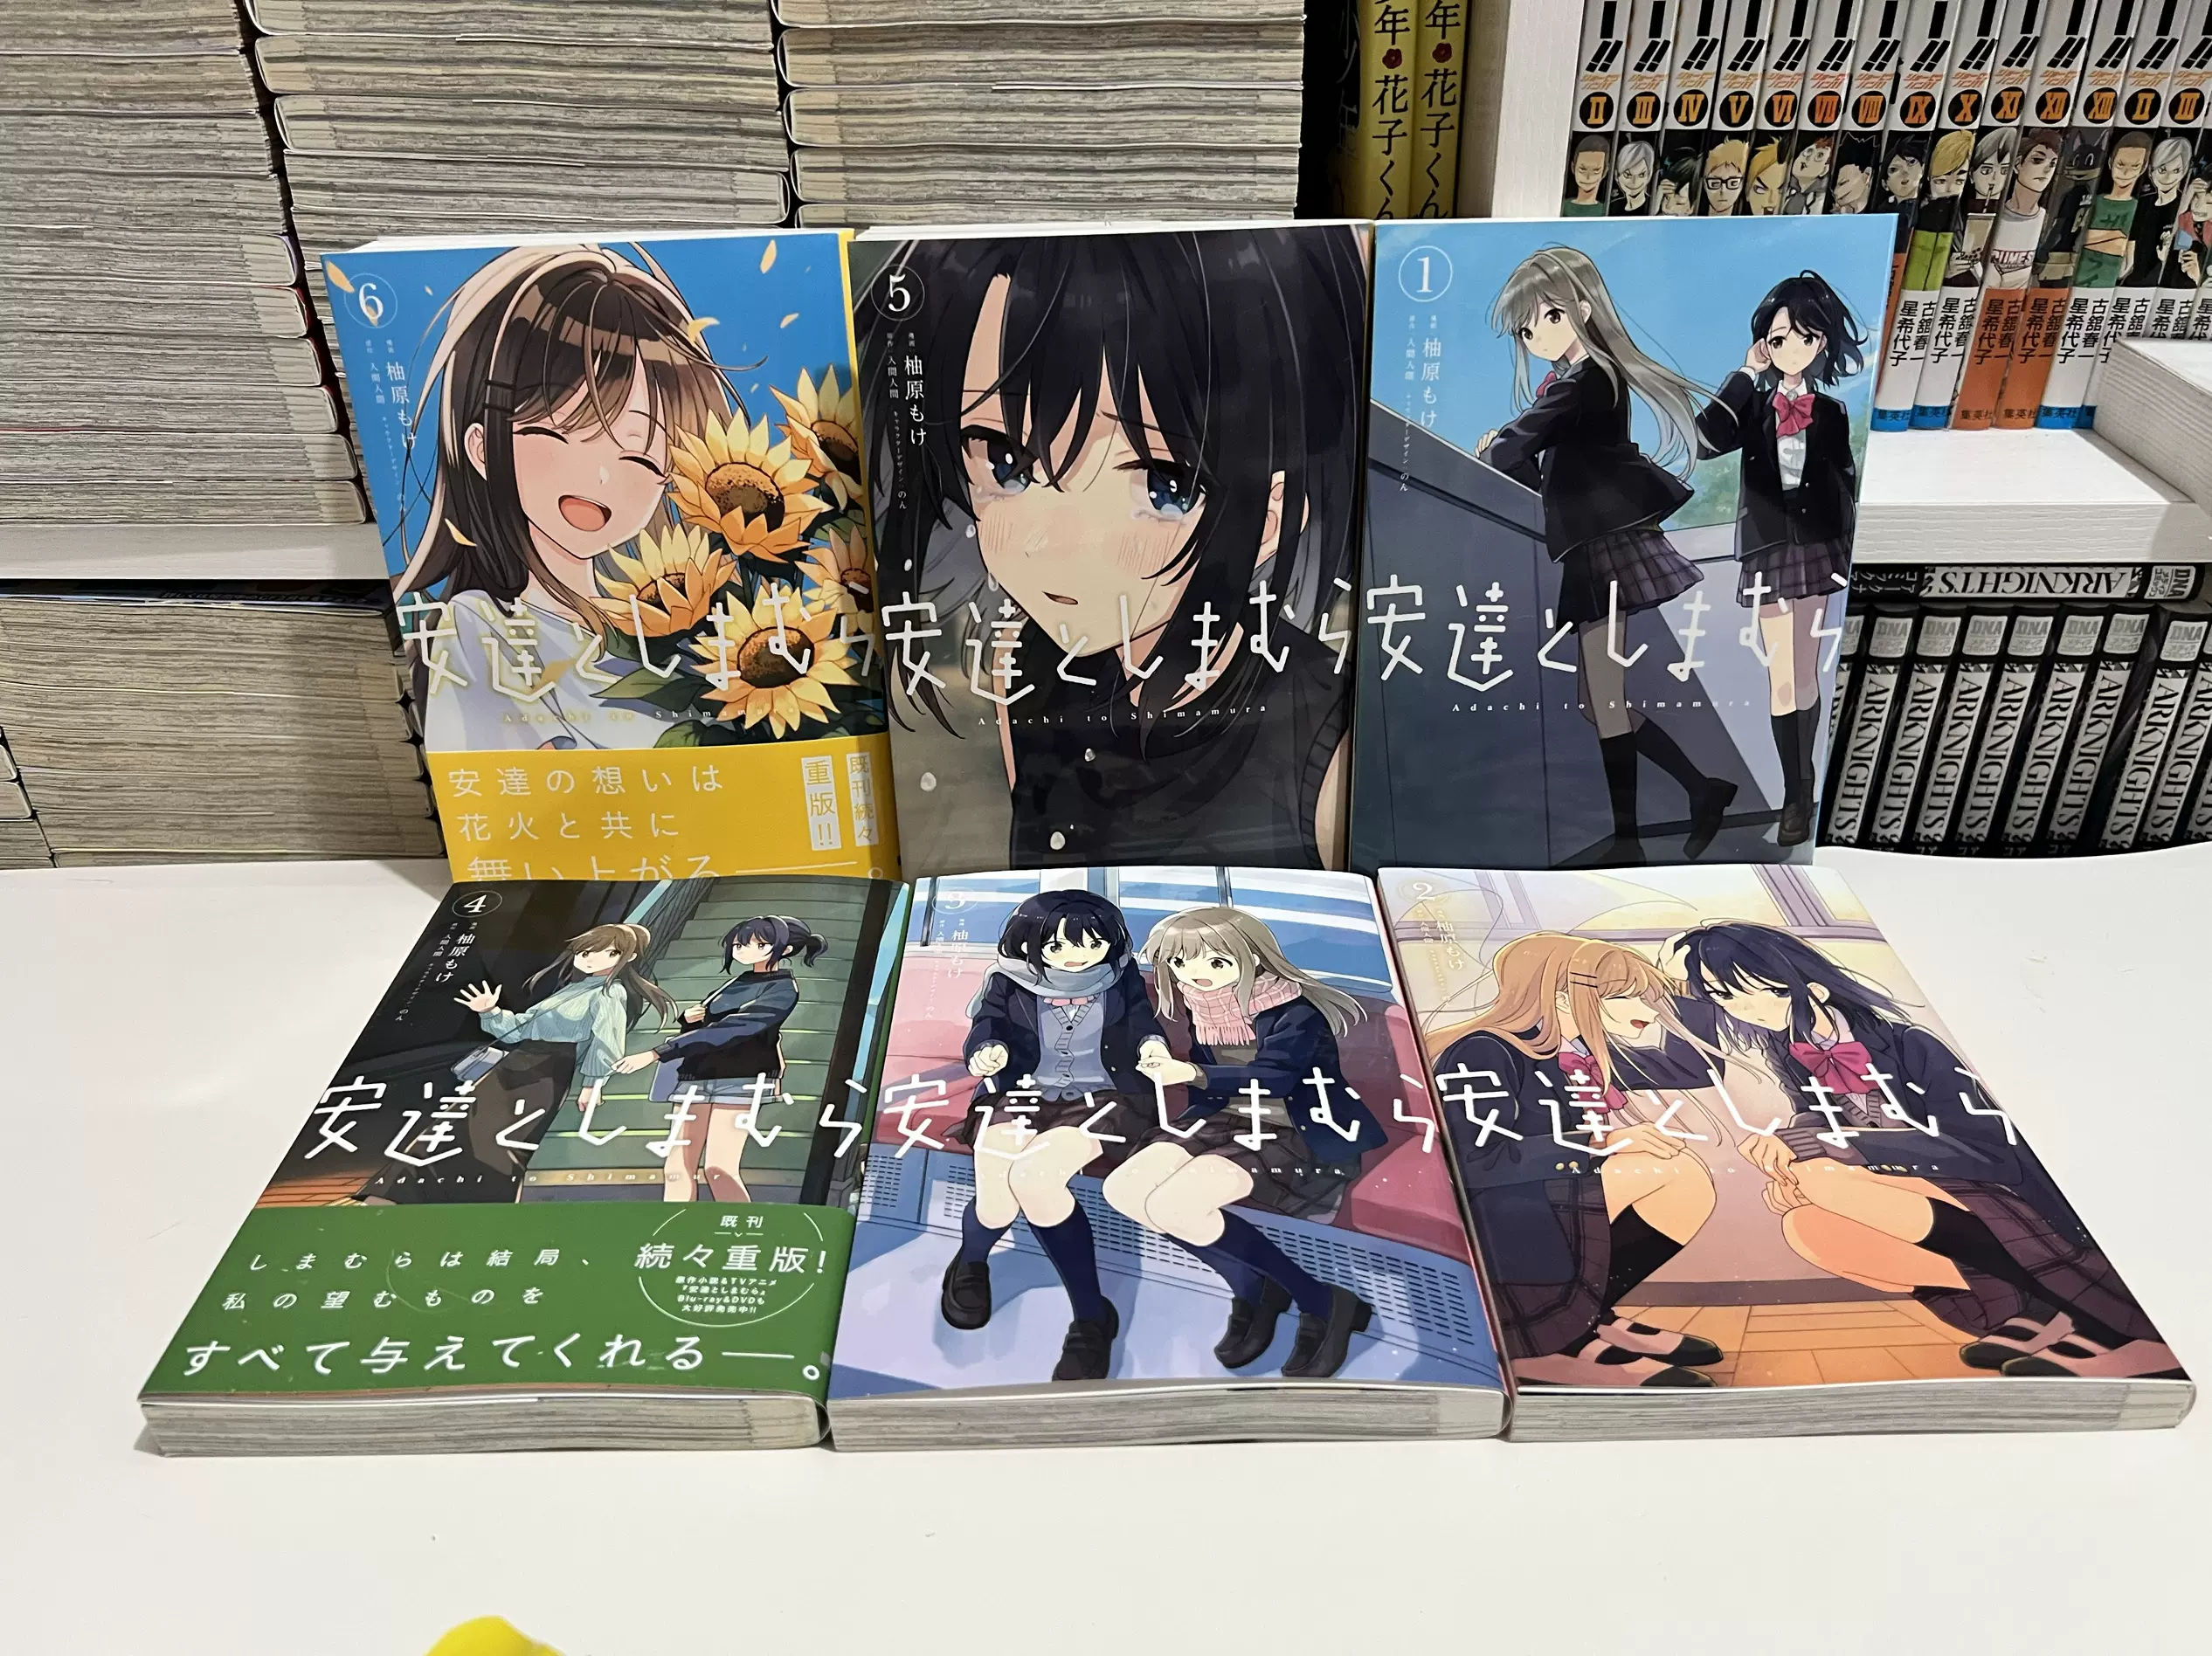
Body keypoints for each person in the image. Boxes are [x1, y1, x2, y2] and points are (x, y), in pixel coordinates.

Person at [859, 226, 1365, 868]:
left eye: (1163, 485)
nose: (1052, 538)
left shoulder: (1328, 742)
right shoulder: (1027, 665)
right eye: (1008, 462)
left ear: (1270, 518)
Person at [1676, 922, 2181, 1380]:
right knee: (1805, 1225)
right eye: (1720, 997)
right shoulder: (1791, 1050)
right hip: (1902, 1184)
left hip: (1993, 1189)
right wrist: (1791, 1146)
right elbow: (1818, 1115)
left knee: (1823, 1182)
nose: (1733, 1009)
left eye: (1742, 993)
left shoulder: (1912, 1046)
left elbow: (1988, 1151)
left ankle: (2100, 1320)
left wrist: (1841, 1147)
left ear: (1809, 989)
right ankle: (2037, 1311)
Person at [391, 245, 743, 751]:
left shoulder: (679, 631)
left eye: (639, 456)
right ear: (483, 447)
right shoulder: (479, 629)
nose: (600, 476)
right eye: (559, 433)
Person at [1480, 246, 1737, 863]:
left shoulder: (1588, 378)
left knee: (1603, 697)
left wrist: (1495, 446)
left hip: (1608, 545)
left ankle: (1630, 840)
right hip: (1593, 545)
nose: (1537, 336)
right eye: (1526, 330)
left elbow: (1515, 447)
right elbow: (1547, 472)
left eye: (1548, 317)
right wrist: (1509, 453)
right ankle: (1703, 790)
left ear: (1583, 308)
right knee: (1595, 701)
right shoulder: (1575, 381)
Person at [1429, 934, 1724, 1390]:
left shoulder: (1578, 1050)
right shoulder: (1483, 1050)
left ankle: (1588, 1317)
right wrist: (1599, 1143)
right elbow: (1475, 1161)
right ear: (1563, 996)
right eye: (1624, 997)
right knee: (1663, 1170)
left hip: (1546, 1193)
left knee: (1684, 1177)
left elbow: (1694, 1068)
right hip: (1500, 1208)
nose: (1648, 1011)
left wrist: (1686, 987)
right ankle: (1538, 1344)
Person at [1103, 907, 1385, 1379]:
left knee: (1174, 1206)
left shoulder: (1295, 1011)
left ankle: (1319, 1300)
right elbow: (1212, 1085)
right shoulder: (1204, 1005)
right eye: (1180, 963)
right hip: (1226, 1119)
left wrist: (1190, 1072)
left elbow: (1275, 1078)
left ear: (1252, 957)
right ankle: (1254, 1286)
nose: (1195, 975)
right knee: (1124, 1191)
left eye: (1216, 962)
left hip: (1298, 1129)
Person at [938, 890, 1170, 1382]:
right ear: (1032, 944)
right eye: (1059, 946)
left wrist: (1152, 1048)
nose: (1077, 956)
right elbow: (986, 1027)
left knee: (1036, 1177)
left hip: (1105, 1098)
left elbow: (1142, 1024)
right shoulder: (1008, 979)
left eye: (1092, 944)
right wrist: (987, 1052)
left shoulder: (1121, 974)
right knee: (997, 1198)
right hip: (1022, 1092)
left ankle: (1090, 1315)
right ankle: (972, 1260)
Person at [1695, 271, 1867, 845]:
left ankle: (1802, 795)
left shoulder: (1833, 412)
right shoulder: (1754, 405)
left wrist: (1847, 546)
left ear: (1821, 343)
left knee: (1807, 672)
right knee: (1783, 680)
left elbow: (1846, 483)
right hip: (1769, 549)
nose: (1790, 347)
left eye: (1803, 336)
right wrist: (1746, 373)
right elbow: (1706, 440)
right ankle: (1795, 798)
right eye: (1777, 338)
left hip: (1817, 547)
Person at [612, 915, 827, 1203]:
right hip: (696, 1073)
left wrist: (657, 1053)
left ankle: (740, 1226)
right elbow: (710, 1023)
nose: (742, 950)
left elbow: (734, 1029)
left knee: (719, 1170)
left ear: (785, 950)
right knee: (676, 1170)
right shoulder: (738, 981)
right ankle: (674, 1227)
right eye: (738, 945)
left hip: (740, 1079)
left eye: (757, 944)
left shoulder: (783, 989)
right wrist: (688, 1019)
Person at [450, 923, 676, 1183]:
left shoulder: (610, 992)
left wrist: (592, 1084)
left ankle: (488, 1193)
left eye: (608, 952)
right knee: (471, 1130)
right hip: (517, 1061)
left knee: (504, 1142)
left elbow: (607, 1041)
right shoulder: (574, 987)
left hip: (549, 1068)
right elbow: (520, 1029)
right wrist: (490, 1012)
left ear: (629, 957)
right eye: (585, 951)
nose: (590, 958)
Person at [1564, 133, 1613, 214]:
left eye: (1596, 170)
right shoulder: (1562, 206)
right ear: (1573, 167)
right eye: (1583, 169)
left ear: (1605, 171)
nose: (1588, 177)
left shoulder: (1605, 211)